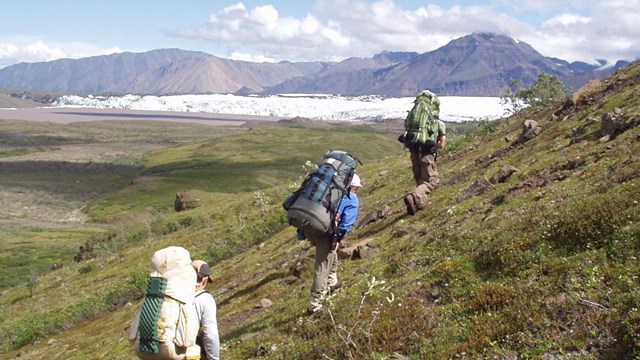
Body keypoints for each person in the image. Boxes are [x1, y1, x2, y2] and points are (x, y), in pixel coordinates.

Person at [307, 173, 362, 315]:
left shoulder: (328, 190)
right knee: (322, 266)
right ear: (353, 187)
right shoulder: (352, 200)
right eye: (356, 188)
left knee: (329, 254)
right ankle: (315, 303)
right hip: (326, 233)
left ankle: (332, 281)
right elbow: (345, 225)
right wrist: (337, 240)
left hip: (310, 228)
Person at [403, 90, 446, 215]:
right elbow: (442, 144)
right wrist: (434, 146)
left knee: (419, 178)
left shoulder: (413, 119)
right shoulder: (437, 123)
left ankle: (420, 204)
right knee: (430, 181)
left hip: (414, 152)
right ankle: (414, 196)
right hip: (427, 154)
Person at [192, 260, 220, 360]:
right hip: (190, 353)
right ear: (205, 279)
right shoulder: (205, 298)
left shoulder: (174, 294)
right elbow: (211, 335)